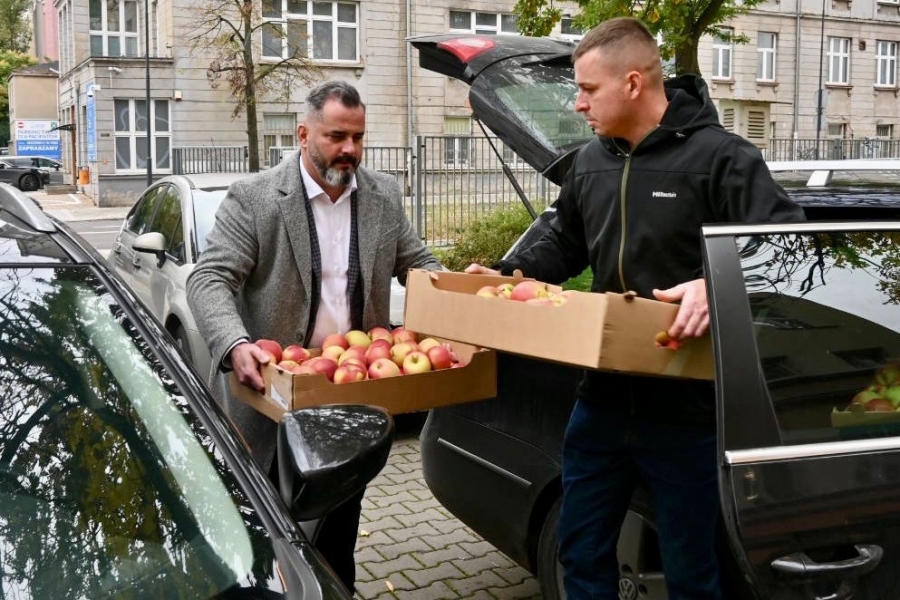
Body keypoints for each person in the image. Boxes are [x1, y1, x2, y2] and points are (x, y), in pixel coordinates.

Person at [466, 17, 805, 600]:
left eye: (587, 89)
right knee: (580, 551)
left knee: (691, 569)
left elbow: (786, 249)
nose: (577, 104)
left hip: (687, 408)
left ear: (632, 83)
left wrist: (714, 283)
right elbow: (562, 242)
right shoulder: (588, 163)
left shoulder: (722, 157)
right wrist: (502, 277)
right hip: (599, 401)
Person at [186, 80, 442, 594]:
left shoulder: (382, 196)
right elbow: (209, 278)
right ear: (303, 134)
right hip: (267, 402)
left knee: (336, 542)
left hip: (346, 401)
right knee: (257, 543)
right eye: (336, 136)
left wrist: (457, 291)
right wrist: (235, 344)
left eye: (358, 137)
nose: (350, 149)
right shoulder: (256, 198)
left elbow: (419, 265)